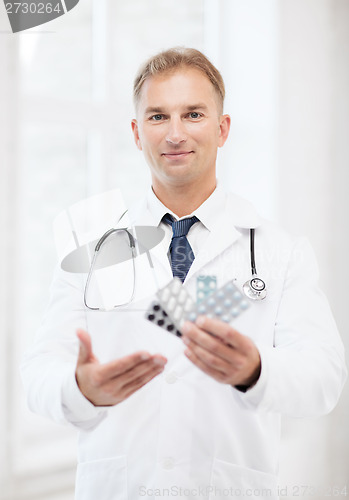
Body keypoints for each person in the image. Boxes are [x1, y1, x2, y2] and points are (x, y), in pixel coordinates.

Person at [21, 47, 347, 500]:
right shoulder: (94, 249)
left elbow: (324, 379)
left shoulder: (280, 251)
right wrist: (80, 388)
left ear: (222, 128)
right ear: (137, 133)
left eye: (193, 114)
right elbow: (37, 373)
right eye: (157, 117)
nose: (175, 133)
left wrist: (257, 369)